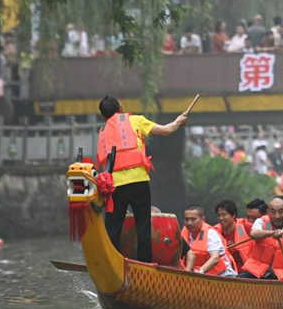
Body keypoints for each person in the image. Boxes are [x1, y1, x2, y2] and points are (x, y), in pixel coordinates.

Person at [96, 95, 187, 262]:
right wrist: (179, 121)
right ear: (121, 109)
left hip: (115, 186)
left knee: (113, 228)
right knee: (143, 226)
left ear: (103, 116)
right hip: (139, 183)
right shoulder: (136, 120)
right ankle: (144, 264)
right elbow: (167, 130)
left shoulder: (102, 132)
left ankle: (113, 261)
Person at [239, 196, 283, 281]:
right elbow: (254, 234)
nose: (277, 216)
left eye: (281, 212)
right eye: (273, 212)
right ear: (268, 212)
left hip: (278, 277)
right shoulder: (260, 221)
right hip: (255, 272)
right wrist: (271, 233)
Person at [180, 206, 236, 276]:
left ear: (202, 219)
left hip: (222, 275)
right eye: (186, 219)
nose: (189, 223)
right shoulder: (184, 233)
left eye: (193, 219)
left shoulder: (211, 233)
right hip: (199, 275)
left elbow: (215, 258)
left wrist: (200, 272)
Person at [212, 200, 252, 272]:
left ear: (233, 215)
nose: (221, 218)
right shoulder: (214, 232)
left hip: (247, 272)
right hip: (224, 273)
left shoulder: (245, 226)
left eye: (224, 215)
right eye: (219, 215)